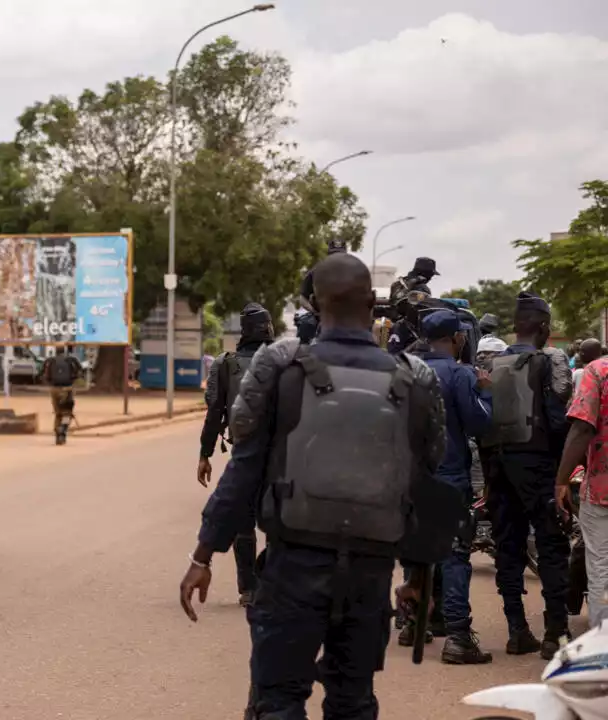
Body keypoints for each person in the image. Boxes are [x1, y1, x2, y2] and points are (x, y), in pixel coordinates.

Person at [179, 254, 448, 718]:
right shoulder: (413, 378)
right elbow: (425, 483)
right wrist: (418, 577)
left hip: (292, 568)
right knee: (353, 701)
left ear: (313, 303)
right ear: (372, 303)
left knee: (278, 700)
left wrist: (203, 556)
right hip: (370, 572)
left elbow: (243, 471)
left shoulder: (280, 368)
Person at [479, 291, 573, 659]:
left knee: (508, 547)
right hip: (538, 466)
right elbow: (556, 420)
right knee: (550, 544)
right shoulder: (547, 362)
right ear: (545, 327)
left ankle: (517, 630)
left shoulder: (493, 362)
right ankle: (555, 633)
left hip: (498, 468)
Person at [415, 310, 496, 664]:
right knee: (454, 555)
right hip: (450, 477)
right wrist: (486, 393)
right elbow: (480, 423)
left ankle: (412, 623)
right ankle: (459, 637)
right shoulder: (461, 374)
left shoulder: (406, 371)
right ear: (457, 338)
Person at [197, 303, 274, 608]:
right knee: (281, 522)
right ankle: (269, 581)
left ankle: (249, 588)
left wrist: (204, 455)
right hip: (283, 456)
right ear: (269, 328)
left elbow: (214, 414)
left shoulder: (224, 364)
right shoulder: (289, 361)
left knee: (244, 523)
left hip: (243, 454)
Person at [557, 351, 608, 630]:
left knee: (600, 566)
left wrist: (561, 480)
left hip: (602, 490)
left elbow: (582, 429)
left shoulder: (598, 371)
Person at [42, 346, 83, 443]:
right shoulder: (71, 360)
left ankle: (58, 432)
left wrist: (49, 382)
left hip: (54, 389)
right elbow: (79, 371)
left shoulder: (50, 360)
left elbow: (43, 373)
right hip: (67, 388)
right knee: (67, 412)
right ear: (64, 351)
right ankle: (63, 429)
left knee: (58, 413)